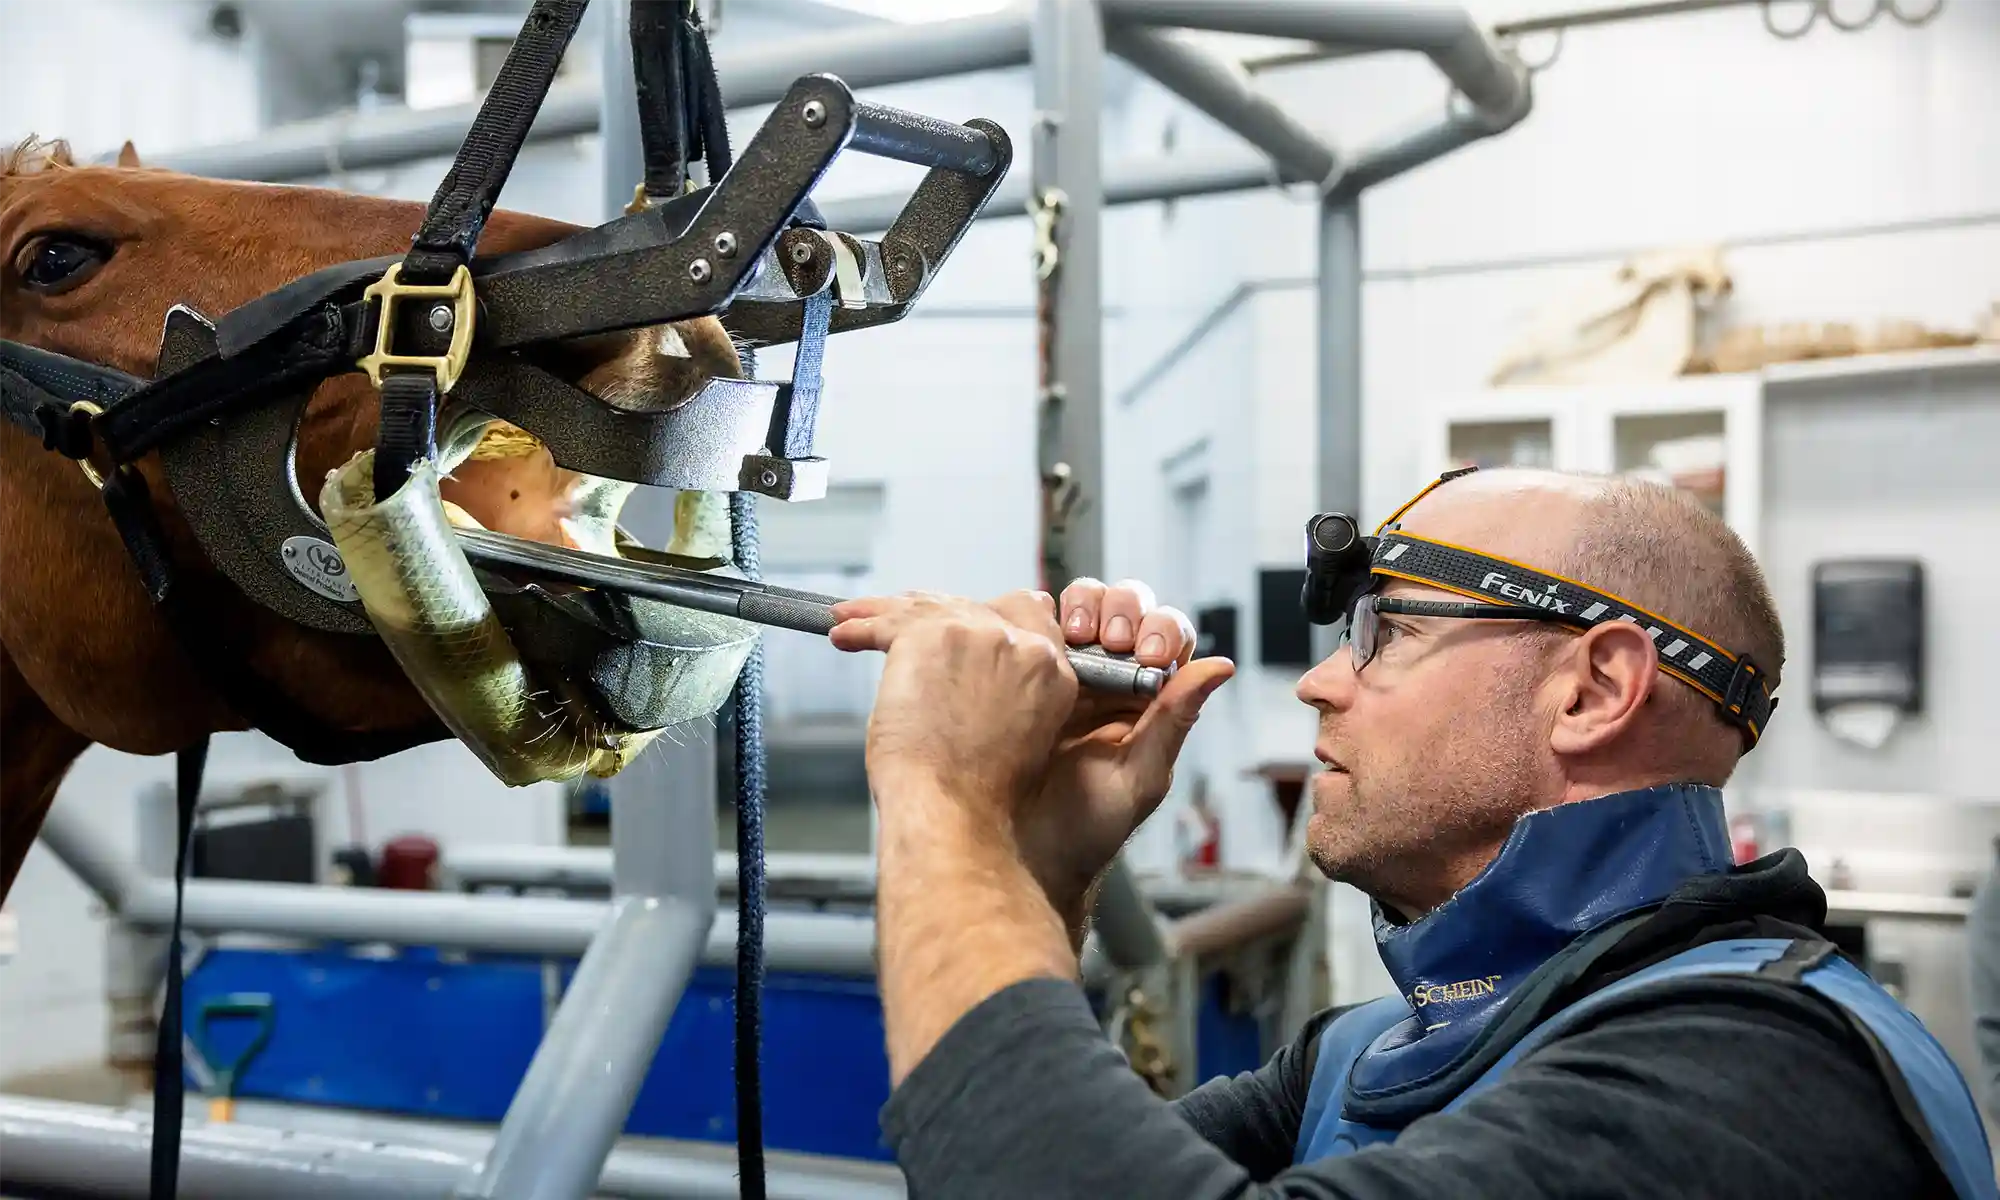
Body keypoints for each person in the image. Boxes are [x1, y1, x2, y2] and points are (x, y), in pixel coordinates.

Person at [828, 466, 1995, 1199]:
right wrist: (1035, 865)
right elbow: (1010, 1157)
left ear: (1591, 690)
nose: (1320, 683)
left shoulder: (1754, 1072)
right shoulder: (1367, 1055)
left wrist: (943, 801)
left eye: (1385, 630)